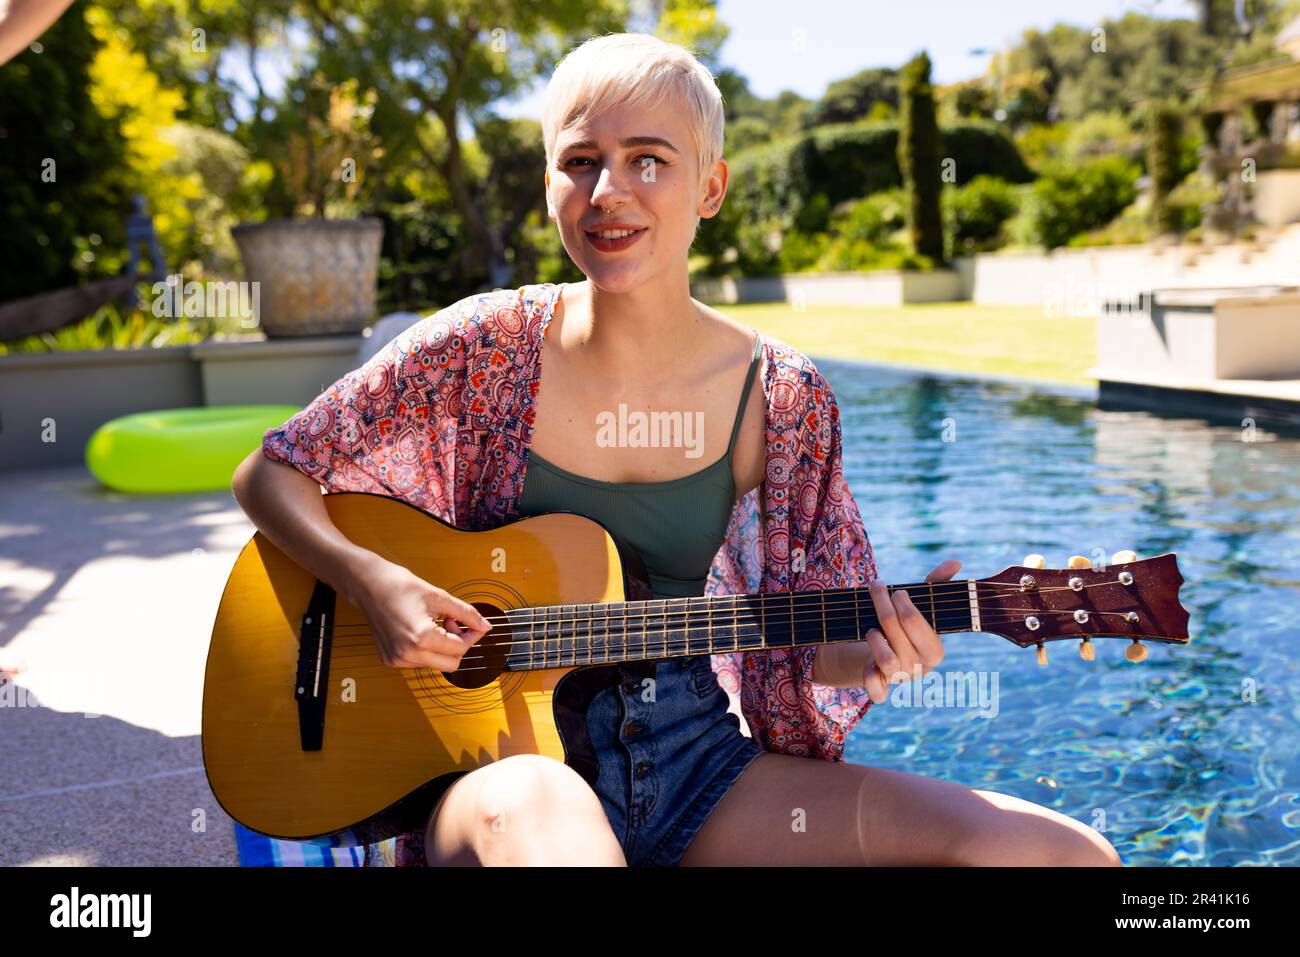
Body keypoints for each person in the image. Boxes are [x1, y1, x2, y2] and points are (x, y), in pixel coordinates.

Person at [232, 32, 1121, 867]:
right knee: (555, 826)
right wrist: (371, 581)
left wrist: (883, 650)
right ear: (550, 183)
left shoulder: (780, 397)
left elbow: (810, 645)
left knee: (1060, 855)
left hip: (691, 766)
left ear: (711, 187)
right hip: (502, 772)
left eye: (647, 159)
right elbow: (273, 471)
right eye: (581, 161)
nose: (608, 191)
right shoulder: (482, 348)